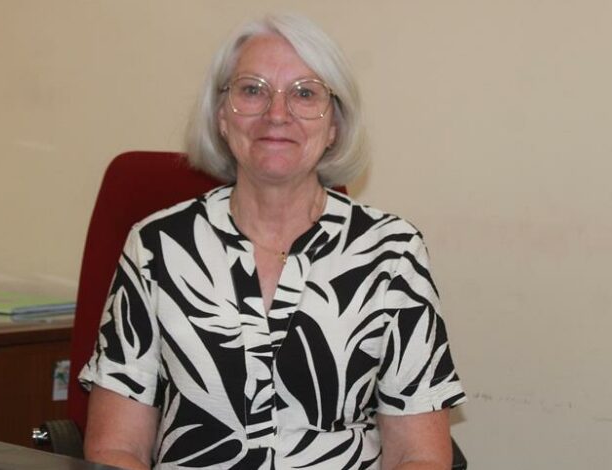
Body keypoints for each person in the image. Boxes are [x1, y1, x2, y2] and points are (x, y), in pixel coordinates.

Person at [79, 13, 466, 470]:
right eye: (252, 90)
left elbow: (418, 457)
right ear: (222, 117)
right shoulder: (157, 247)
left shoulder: (393, 254)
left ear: (335, 125)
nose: (277, 114)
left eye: (305, 93)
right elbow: (116, 449)